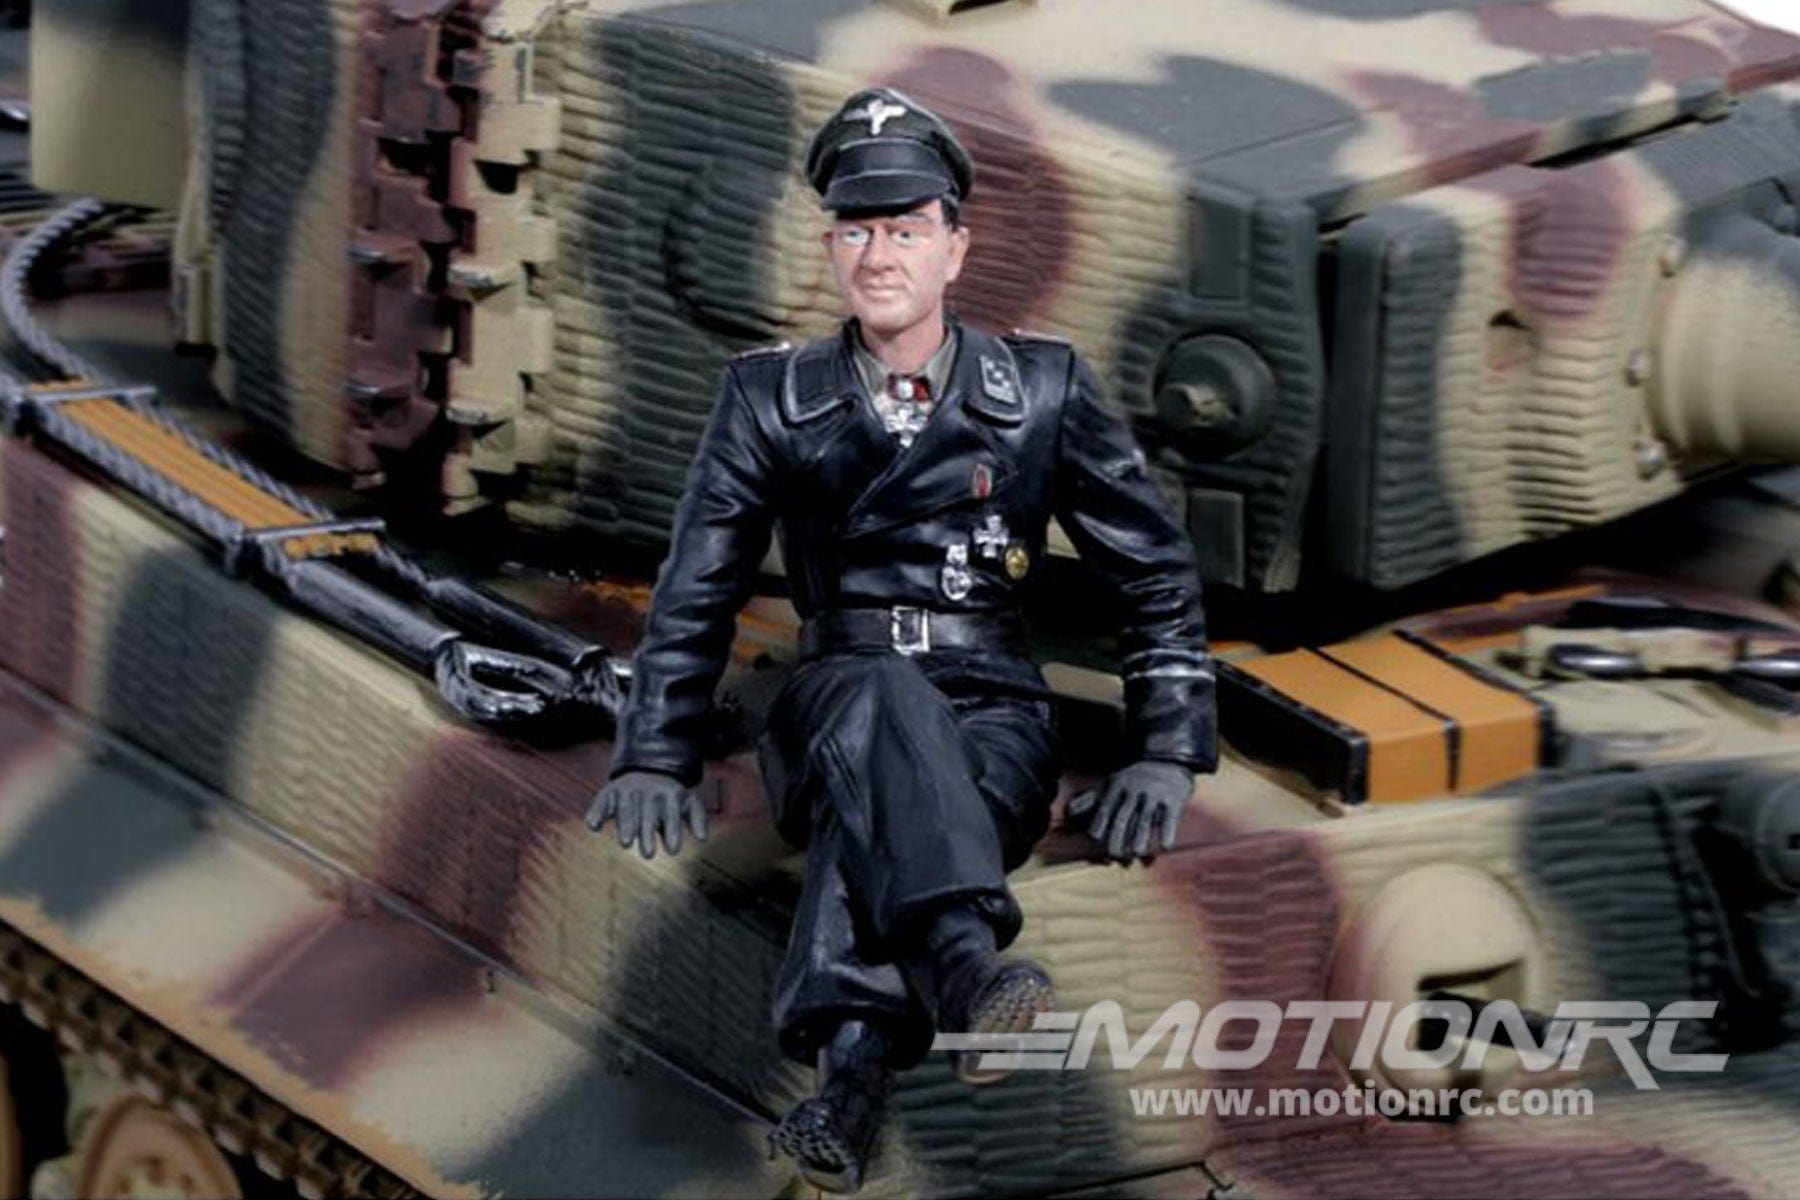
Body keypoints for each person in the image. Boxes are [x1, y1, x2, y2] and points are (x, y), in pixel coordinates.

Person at [586, 87, 1215, 1193]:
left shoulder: (1042, 391)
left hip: (995, 709)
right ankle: (968, 968)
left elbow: (1153, 570)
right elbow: (698, 585)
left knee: (878, 807)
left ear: (954, 248)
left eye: (907, 230)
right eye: (857, 231)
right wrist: (653, 752)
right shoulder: (769, 398)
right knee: (879, 700)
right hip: (835, 687)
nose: (880, 256)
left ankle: (851, 1087)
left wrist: (1167, 747)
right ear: (830, 248)